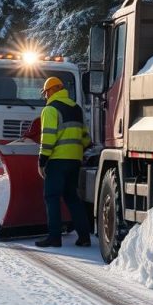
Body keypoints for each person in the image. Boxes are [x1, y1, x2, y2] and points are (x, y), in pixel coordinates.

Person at [35, 77, 91, 248]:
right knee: (72, 197)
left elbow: (48, 138)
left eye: (45, 93)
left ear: (52, 90)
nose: (45, 96)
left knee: (52, 197)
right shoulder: (76, 108)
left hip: (57, 160)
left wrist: (42, 160)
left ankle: (54, 237)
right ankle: (84, 237)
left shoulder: (50, 110)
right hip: (75, 161)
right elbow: (86, 138)